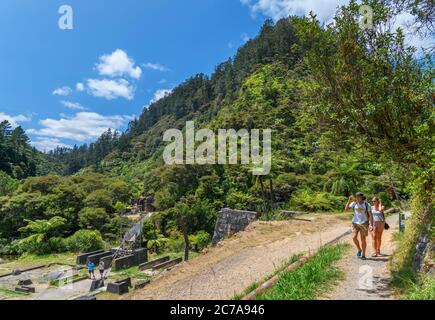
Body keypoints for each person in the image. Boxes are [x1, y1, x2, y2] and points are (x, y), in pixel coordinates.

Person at [345, 192, 373, 260]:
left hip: (364, 223)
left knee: (363, 239)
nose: (357, 198)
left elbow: (370, 215)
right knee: (354, 237)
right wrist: (349, 200)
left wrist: (371, 224)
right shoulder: (354, 203)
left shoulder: (367, 204)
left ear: (362, 197)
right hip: (355, 222)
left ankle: (363, 254)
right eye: (356, 197)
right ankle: (359, 249)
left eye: (358, 196)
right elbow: (346, 209)